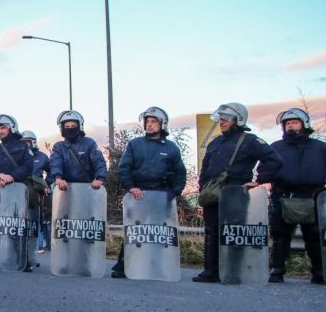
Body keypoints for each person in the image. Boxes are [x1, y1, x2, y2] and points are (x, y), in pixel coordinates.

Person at [193, 102, 282, 283]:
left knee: (233, 233)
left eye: (227, 118)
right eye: (221, 117)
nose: (222, 121)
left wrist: (258, 180)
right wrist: (203, 188)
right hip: (214, 193)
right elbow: (205, 168)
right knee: (211, 232)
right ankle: (210, 271)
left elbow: (274, 160)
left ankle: (233, 271)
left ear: (239, 119)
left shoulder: (250, 140)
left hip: (236, 193)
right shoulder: (215, 142)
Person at [110, 107, 187, 278]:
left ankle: (157, 264)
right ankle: (124, 265)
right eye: (147, 122)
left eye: (153, 122)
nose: (149, 125)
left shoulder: (171, 148)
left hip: (161, 194)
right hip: (139, 193)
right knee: (135, 230)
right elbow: (125, 168)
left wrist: (173, 192)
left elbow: (180, 173)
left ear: (162, 124)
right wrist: (130, 187)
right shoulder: (135, 144)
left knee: (159, 232)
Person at [268, 108, 326, 284]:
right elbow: (266, 168)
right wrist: (259, 181)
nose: (290, 126)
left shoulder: (320, 147)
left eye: (294, 122)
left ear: (304, 124)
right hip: (284, 196)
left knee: (315, 238)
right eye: (287, 124)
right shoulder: (276, 147)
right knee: (280, 236)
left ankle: (319, 272)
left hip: (313, 196)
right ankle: (277, 270)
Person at [0, 114, 33, 271]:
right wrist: (0, 175)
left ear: (12, 128)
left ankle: (23, 262)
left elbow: (28, 166)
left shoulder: (23, 147)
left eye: (3, 127)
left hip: (16, 193)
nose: (0, 131)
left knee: (17, 228)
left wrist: (12, 177)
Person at [48, 110, 107, 191]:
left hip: (88, 189)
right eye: (67, 127)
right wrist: (58, 178)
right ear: (62, 128)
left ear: (79, 126)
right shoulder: (59, 146)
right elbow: (55, 163)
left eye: (73, 126)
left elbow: (99, 161)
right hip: (65, 190)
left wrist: (99, 178)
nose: (70, 128)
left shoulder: (89, 143)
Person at [21, 130, 50, 254]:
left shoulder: (42, 156)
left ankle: (30, 255)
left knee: (34, 224)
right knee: (19, 224)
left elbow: (52, 170)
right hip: (18, 193)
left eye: (27, 142)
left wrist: (46, 184)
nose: (25, 145)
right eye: (22, 143)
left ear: (33, 142)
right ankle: (18, 253)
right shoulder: (17, 156)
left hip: (35, 195)